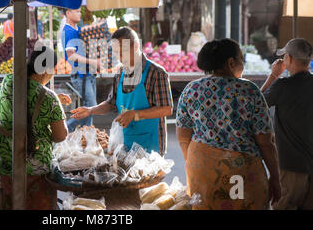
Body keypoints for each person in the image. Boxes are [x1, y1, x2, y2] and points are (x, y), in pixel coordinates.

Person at [176, 38, 281, 210]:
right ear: (231, 62)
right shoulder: (250, 91)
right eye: (241, 59)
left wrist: (197, 167)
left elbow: (182, 138)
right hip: (242, 174)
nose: (243, 63)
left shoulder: (191, 90)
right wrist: (275, 178)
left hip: (202, 170)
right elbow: (265, 142)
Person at [71, 27, 173, 155]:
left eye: (122, 52)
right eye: (115, 52)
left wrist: (135, 114)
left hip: (150, 145)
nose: (119, 57)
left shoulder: (157, 73)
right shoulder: (120, 73)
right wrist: (91, 110)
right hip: (126, 143)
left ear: (136, 46)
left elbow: (166, 109)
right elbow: (111, 103)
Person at [0, 45, 70, 210]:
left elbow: (26, 98)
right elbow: (60, 135)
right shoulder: (49, 98)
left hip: (6, 161)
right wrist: (54, 103)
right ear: (45, 70)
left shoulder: (8, 81)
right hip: (37, 168)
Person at [260, 38, 313, 210]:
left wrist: (273, 75)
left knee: (284, 205)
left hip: (292, 164)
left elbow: (255, 104)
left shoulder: (283, 86)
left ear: (288, 59)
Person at [61, 8, 102, 132]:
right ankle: (64, 129)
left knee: (90, 108)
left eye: (80, 11)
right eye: (76, 11)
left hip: (88, 74)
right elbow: (71, 55)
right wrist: (93, 62)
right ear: (68, 13)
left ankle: (87, 135)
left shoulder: (79, 30)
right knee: (90, 107)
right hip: (80, 76)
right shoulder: (67, 31)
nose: (79, 13)